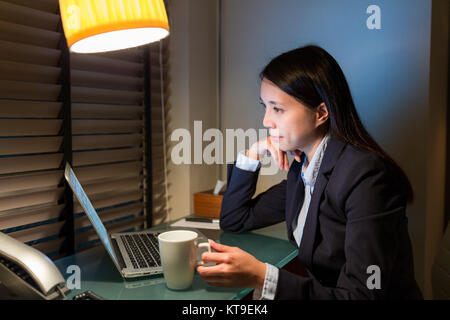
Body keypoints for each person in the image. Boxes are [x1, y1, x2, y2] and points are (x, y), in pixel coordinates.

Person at [196, 45, 423, 300]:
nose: (266, 121)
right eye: (265, 107)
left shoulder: (365, 177)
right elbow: (234, 219)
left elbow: (362, 296)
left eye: (277, 109)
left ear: (321, 113)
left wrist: (261, 276)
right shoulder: (302, 170)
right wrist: (253, 153)